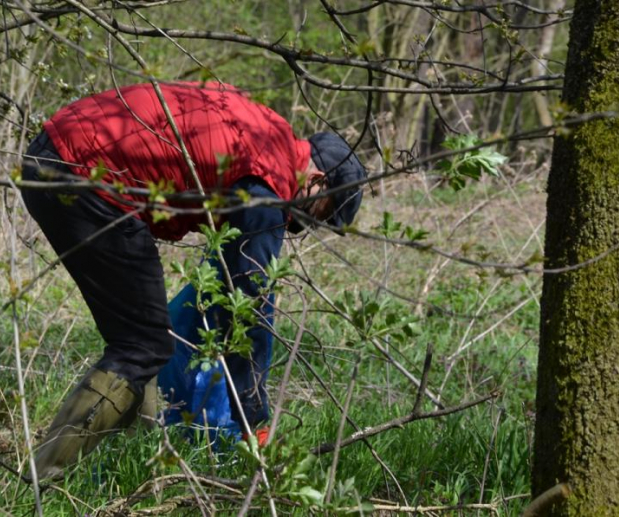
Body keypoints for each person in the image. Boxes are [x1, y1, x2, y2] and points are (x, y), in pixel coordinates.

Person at [20, 82, 365, 480]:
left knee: (144, 339)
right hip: (81, 174)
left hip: (56, 150)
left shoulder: (266, 133)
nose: (311, 223)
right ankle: (41, 483)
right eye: (324, 212)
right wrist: (255, 418)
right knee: (142, 344)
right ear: (318, 180)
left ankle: (142, 462)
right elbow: (247, 312)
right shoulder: (268, 186)